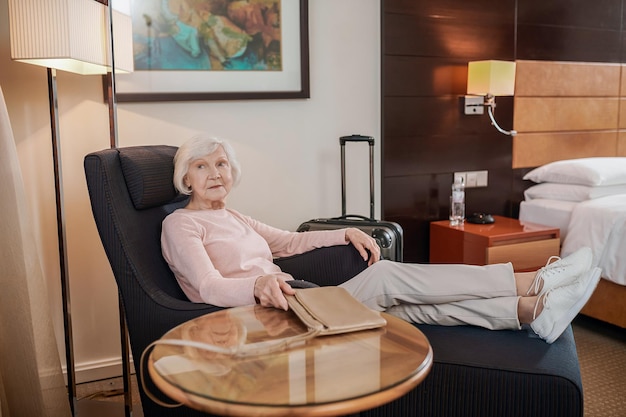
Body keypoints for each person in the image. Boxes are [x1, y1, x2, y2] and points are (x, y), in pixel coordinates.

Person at [161, 134, 601, 344]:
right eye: (202, 166)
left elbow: (288, 243)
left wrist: (346, 231)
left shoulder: (234, 215)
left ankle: (530, 312)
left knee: (408, 306)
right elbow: (207, 287)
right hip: (263, 321)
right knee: (387, 276)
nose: (215, 173)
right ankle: (529, 282)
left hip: (301, 302)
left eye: (221, 164)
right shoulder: (181, 225)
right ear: (186, 177)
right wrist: (256, 285)